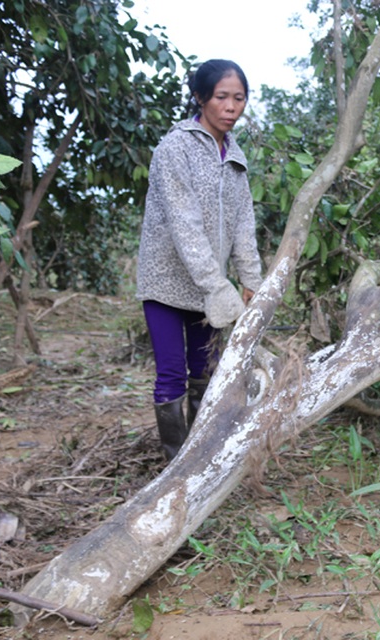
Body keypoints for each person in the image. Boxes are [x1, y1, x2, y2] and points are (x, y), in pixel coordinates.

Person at [136, 59, 263, 461]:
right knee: (172, 373)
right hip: (165, 282)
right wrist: (217, 286)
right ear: (200, 98)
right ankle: (177, 465)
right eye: (222, 97)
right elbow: (184, 224)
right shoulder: (176, 149)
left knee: (206, 371)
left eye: (239, 98)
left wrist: (251, 281)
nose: (231, 107)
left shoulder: (235, 157)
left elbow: (244, 224)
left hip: (210, 288)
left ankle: (202, 456)